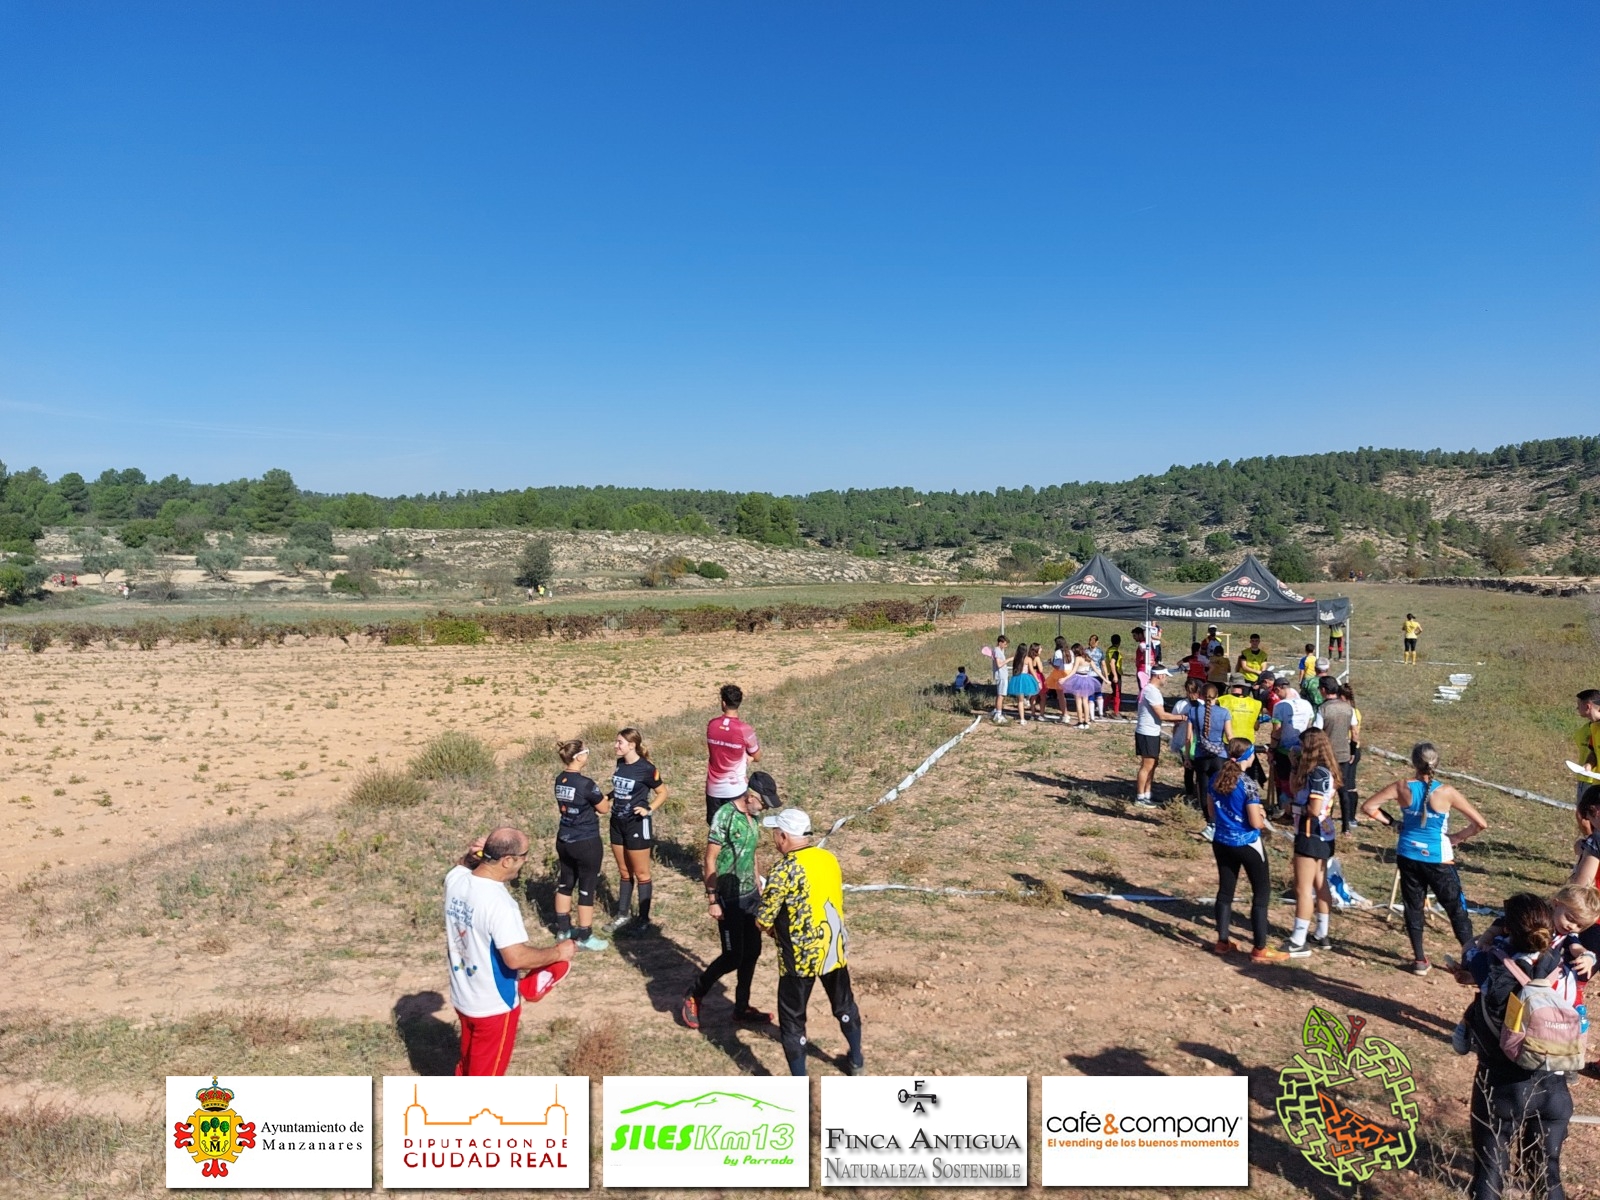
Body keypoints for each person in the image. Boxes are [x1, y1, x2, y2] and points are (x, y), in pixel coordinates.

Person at [1463, 894, 1579, 1200]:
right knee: (1547, 1178)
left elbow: (1468, 953)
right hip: (1554, 1087)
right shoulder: (1563, 966)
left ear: (1509, 929)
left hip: (1502, 1086)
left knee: (1490, 1174)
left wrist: (1489, 934)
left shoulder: (1489, 963)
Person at [444, 827, 576, 1075]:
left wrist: (473, 855)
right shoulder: (500, 904)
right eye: (523, 856)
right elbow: (516, 958)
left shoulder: (455, 880)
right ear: (507, 860)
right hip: (494, 1004)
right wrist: (559, 953)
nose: (525, 861)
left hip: (463, 995)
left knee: (467, 1063)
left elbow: (463, 864)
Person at [755, 808, 863, 1077]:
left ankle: (799, 1082)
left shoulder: (783, 870)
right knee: (844, 1005)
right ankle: (856, 1059)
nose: (773, 839)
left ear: (783, 836)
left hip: (798, 959)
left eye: (775, 834)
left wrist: (770, 926)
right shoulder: (828, 858)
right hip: (832, 948)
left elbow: (763, 920)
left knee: (793, 1020)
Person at [1361, 742, 1486, 975]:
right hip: (1438, 857)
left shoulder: (1401, 786)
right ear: (1437, 763)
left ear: (1413, 762)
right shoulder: (1446, 792)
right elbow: (1480, 823)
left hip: (1408, 853)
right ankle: (1471, 960)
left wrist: (1394, 823)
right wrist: (1458, 837)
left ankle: (1419, 960)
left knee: (1413, 906)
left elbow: (1369, 807)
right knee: (1456, 909)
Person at [682, 771, 783, 1030]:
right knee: (732, 956)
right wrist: (712, 898)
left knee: (753, 951)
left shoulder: (753, 818)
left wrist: (758, 884)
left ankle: (741, 1007)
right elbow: (710, 859)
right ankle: (695, 994)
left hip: (750, 895)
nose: (765, 808)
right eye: (763, 802)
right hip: (728, 896)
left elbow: (752, 853)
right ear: (751, 796)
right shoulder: (724, 816)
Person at [1207, 739, 1289, 962]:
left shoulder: (1215, 778)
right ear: (1248, 756)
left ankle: (1222, 942)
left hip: (1222, 841)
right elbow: (1255, 823)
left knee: (1225, 891)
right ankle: (1260, 948)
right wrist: (1262, 815)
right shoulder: (1248, 784)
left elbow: (1211, 812)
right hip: (1247, 843)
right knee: (1261, 894)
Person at [1282, 729, 1341, 956]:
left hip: (1310, 833)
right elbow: (1296, 789)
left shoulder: (1317, 774)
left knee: (1303, 888)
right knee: (1320, 883)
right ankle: (1322, 933)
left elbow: (1314, 809)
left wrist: (1292, 808)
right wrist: (1294, 767)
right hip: (1324, 835)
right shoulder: (1326, 771)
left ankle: (1298, 940)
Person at [552, 739, 612, 951]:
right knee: (587, 887)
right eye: (587, 751)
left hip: (564, 838)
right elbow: (603, 808)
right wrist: (606, 798)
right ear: (578, 757)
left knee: (565, 882)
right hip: (585, 840)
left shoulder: (560, 779)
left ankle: (563, 929)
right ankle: (585, 936)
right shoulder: (586, 783)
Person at [609, 728, 668, 936]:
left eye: (619, 742)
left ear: (632, 745)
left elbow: (662, 792)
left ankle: (643, 920)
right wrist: (606, 798)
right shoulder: (620, 764)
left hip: (637, 825)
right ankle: (622, 914)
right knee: (624, 872)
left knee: (642, 873)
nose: (616, 746)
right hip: (616, 823)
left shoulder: (646, 768)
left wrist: (648, 809)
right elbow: (619, 789)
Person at [706, 684, 762, 825]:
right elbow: (757, 756)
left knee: (715, 828)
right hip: (736, 789)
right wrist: (748, 758)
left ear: (723, 703)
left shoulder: (712, 725)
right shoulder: (744, 729)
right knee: (736, 828)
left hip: (713, 790)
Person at [1133, 671, 1184, 808]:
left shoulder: (1151, 690)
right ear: (1160, 676)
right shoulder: (1152, 692)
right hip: (1147, 733)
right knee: (1147, 766)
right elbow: (1162, 715)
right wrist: (1183, 717)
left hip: (1151, 732)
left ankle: (1147, 794)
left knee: (1153, 764)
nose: (1166, 679)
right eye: (1165, 676)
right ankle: (1140, 797)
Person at [1187, 682, 1233, 819]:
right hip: (1220, 755)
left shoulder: (1193, 711)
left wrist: (1188, 757)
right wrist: (1234, 754)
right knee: (1220, 789)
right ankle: (1220, 818)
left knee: (1204, 789)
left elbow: (1188, 737)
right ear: (1217, 696)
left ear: (1201, 695)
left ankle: (1209, 820)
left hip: (1201, 756)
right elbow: (1229, 736)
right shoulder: (1224, 712)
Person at [1269, 677, 1313, 818]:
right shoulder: (1307, 704)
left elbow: (1277, 729)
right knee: (1301, 780)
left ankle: (1286, 810)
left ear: (1278, 689)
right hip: (1302, 749)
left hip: (1284, 750)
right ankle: (1299, 809)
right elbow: (1309, 726)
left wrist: (1272, 749)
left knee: (1285, 781)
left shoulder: (1280, 706)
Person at [1318, 684, 1359, 832]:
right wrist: (1352, 751)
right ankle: (1346, 826)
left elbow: (1317, 732)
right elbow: (1355, 733)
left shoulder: (1323, 708)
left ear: (1324, 690)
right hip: (1343, 753)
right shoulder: (1349, 709)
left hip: (1326, 754)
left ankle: (1323, 819)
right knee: (1343, 790)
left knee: (1324, 788)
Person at [1064, 643, 1099, 729]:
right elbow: (1096, 670)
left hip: (1078, 679)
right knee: (1085, 702)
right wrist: (1105, 679)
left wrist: (1065, 679)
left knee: (1078, 702)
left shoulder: (1078, 658)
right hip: (1086, 679)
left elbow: (1073, 671)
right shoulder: (1088, 658)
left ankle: (1080, 722)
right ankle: (1086, 722)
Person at [1574, 690, 1600, 804]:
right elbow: (1594, 751)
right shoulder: (1594, 727)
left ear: (1588, 706)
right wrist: (1589, 764)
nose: (1577, 708)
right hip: (1596, 784)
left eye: (1579, 705)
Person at [1004, 643, 1038, 725]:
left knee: (1020, 701)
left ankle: (1022, 718)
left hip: (1017, 678)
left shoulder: (1016, 658)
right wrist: (1037, 680)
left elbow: (1007, 661)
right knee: (1026, 696)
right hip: (1025, 678)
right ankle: (1025, 713)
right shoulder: (1028, 659)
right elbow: (1032, 671)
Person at [989, 634, 1011, 722]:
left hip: (1002, 675)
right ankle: (998, 714)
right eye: (1005, 644)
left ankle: (996, 711)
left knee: (1000, 694)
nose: (1006, 646)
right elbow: (999, 664)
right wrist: (1009, 660)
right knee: (1001, 695)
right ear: (1000, 643)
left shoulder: (998, 651)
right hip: (1001, 676)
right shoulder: (997, 651)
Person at [1106, 634, 1125, 718]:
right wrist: (1115, 675)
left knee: (1114, 692)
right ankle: (1116, 712)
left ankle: (1103, 705)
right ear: (1119, 642)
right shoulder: (1115, 652)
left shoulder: (1109, 650)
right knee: (1117, 693)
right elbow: (1112, 663)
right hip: (1115, 673)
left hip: (1110, 673)